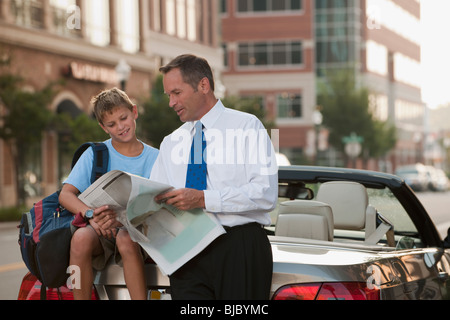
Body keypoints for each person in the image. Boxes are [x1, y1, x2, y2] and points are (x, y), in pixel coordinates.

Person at [150, 54, 278, 299]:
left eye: (176, 92)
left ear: (203, 85)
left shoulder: (247, 127)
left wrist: (203, 199)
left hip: (239, 247)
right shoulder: (170, 142)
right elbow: (156, 198)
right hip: (185, 249)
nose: (171, 102)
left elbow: (265, 193)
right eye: (168, 95)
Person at [59, 87, 159, 300]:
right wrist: (90, 215)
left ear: (134, 112)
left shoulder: (156, 157)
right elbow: (66, 195)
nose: (121, 127)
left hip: (139, 232)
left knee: (125, 238)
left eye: (123, 118)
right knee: (80, 238)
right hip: (102, 229)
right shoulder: (95, 154)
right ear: (103, 127)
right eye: (112, 124)